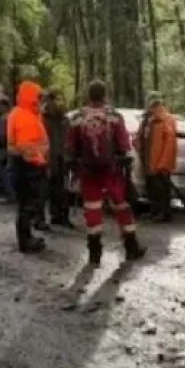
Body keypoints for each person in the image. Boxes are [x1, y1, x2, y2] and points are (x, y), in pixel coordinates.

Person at [66, 80, 146, 265]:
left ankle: (94, 253)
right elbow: (124, 144)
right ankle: (131, 247)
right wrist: (125, 162)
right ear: (104, 95)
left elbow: (70, 146)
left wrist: (74, 166)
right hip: (112, 170)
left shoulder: (78, 117)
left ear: (88, 95)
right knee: (121, 206)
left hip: (88, 171)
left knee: (92, 209)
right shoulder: (113, 116)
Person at [7, 81, 48, 253]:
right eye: (38, 97)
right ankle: (25, 241)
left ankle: (26, 238)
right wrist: (39, 162)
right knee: (27, 205)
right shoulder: (24, 116)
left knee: (25, 205)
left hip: (23, 166)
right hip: (27, 168)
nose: (41, 100)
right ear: (31, 97)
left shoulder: (23, 113)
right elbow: (26, 147)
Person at [136, 91, 178, 222]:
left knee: (161, 189)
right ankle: (154, 211)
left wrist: (164, 163)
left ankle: (164, 213)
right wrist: (138, 147)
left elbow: (170, 143)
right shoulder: (147, 119)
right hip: (148, 161)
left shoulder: (166, 119)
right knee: (151, 188)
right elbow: (140, 137)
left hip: (159, 163)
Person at [42, 88, 72, 228]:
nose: (59, 103)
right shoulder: (43, 119)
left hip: (63, 158)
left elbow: (69, 139)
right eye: (56, 99)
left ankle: (63, 216)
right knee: (46, 189)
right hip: (48, 158)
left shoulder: (65, 120)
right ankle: (48, 216)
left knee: (63, 189)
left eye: (61, 99)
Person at [0, 97, 16, 204]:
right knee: (10, 172)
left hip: (2, 148)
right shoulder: (13, 116)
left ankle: (10, 195)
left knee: (4, 172)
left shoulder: (4, 118)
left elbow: (1, 135)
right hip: (11, 148)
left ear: (5, 106)